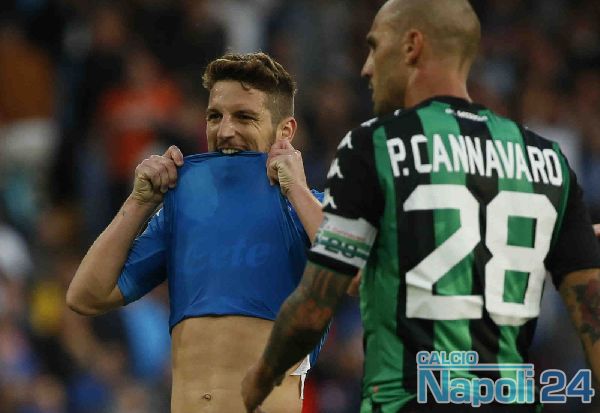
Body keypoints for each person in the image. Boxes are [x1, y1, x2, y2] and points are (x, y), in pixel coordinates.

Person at [242, 1, 600, 412]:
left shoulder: (376, 146)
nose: (366, 68)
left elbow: (317, 301)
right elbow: (592, 315)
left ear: (412, 46)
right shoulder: (547, 160)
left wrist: (257, 381)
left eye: (375, 47)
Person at [66, 52, 324, 413]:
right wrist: (140, 202)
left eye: (244, 117)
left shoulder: (309, 207)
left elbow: (362, 275)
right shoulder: (182, 213)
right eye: (215, 116)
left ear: (285, 131)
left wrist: (296, 189)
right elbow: (86, 296)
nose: (225, 131)